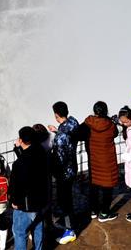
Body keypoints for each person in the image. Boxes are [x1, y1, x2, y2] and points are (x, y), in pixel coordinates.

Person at [73, 101, 119, 222]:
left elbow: (78, 134)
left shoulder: (88, 124)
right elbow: (115, 134)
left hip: (94, 161)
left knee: (94, 186)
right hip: (107, 162)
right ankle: (104, 213)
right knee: (107, 188)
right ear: (106, 111)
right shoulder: (111, 125)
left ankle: (93, 210)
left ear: (94, 111)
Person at [10, 126, 50, 250]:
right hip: (41, 201)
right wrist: (18, 149)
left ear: (21, 140)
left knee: (20, 232)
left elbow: (16, 185)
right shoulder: (42, 152)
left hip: (26, 206)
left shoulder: (18, 164)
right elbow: (29, 157)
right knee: (37, 228)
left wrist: (15, 201)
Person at [48, 101, 79, 244]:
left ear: (56, 115)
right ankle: (70, 225)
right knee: (68, 199)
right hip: (73, 167)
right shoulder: (73, 123)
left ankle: (70, 230)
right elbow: (67, 136)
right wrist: (57, 131)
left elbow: (59, 159)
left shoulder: (61, 138)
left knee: (64, 201)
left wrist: (52, 169)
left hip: (63, 173)